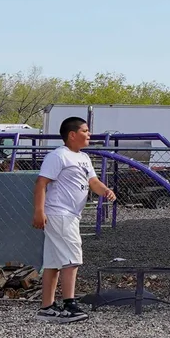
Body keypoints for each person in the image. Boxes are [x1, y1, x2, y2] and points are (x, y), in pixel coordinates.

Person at [32, 116, 114, 323]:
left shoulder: (84, 158)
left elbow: (93, 181)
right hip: (59, 214)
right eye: (85, 131)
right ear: (72, 134)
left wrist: (105, 190)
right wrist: (39, 211)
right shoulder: (58, 156)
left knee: (53, 262)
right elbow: (41, 183)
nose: (89, 134)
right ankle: (69, 305)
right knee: (72, 258)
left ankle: (47, 308)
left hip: (71, 216)